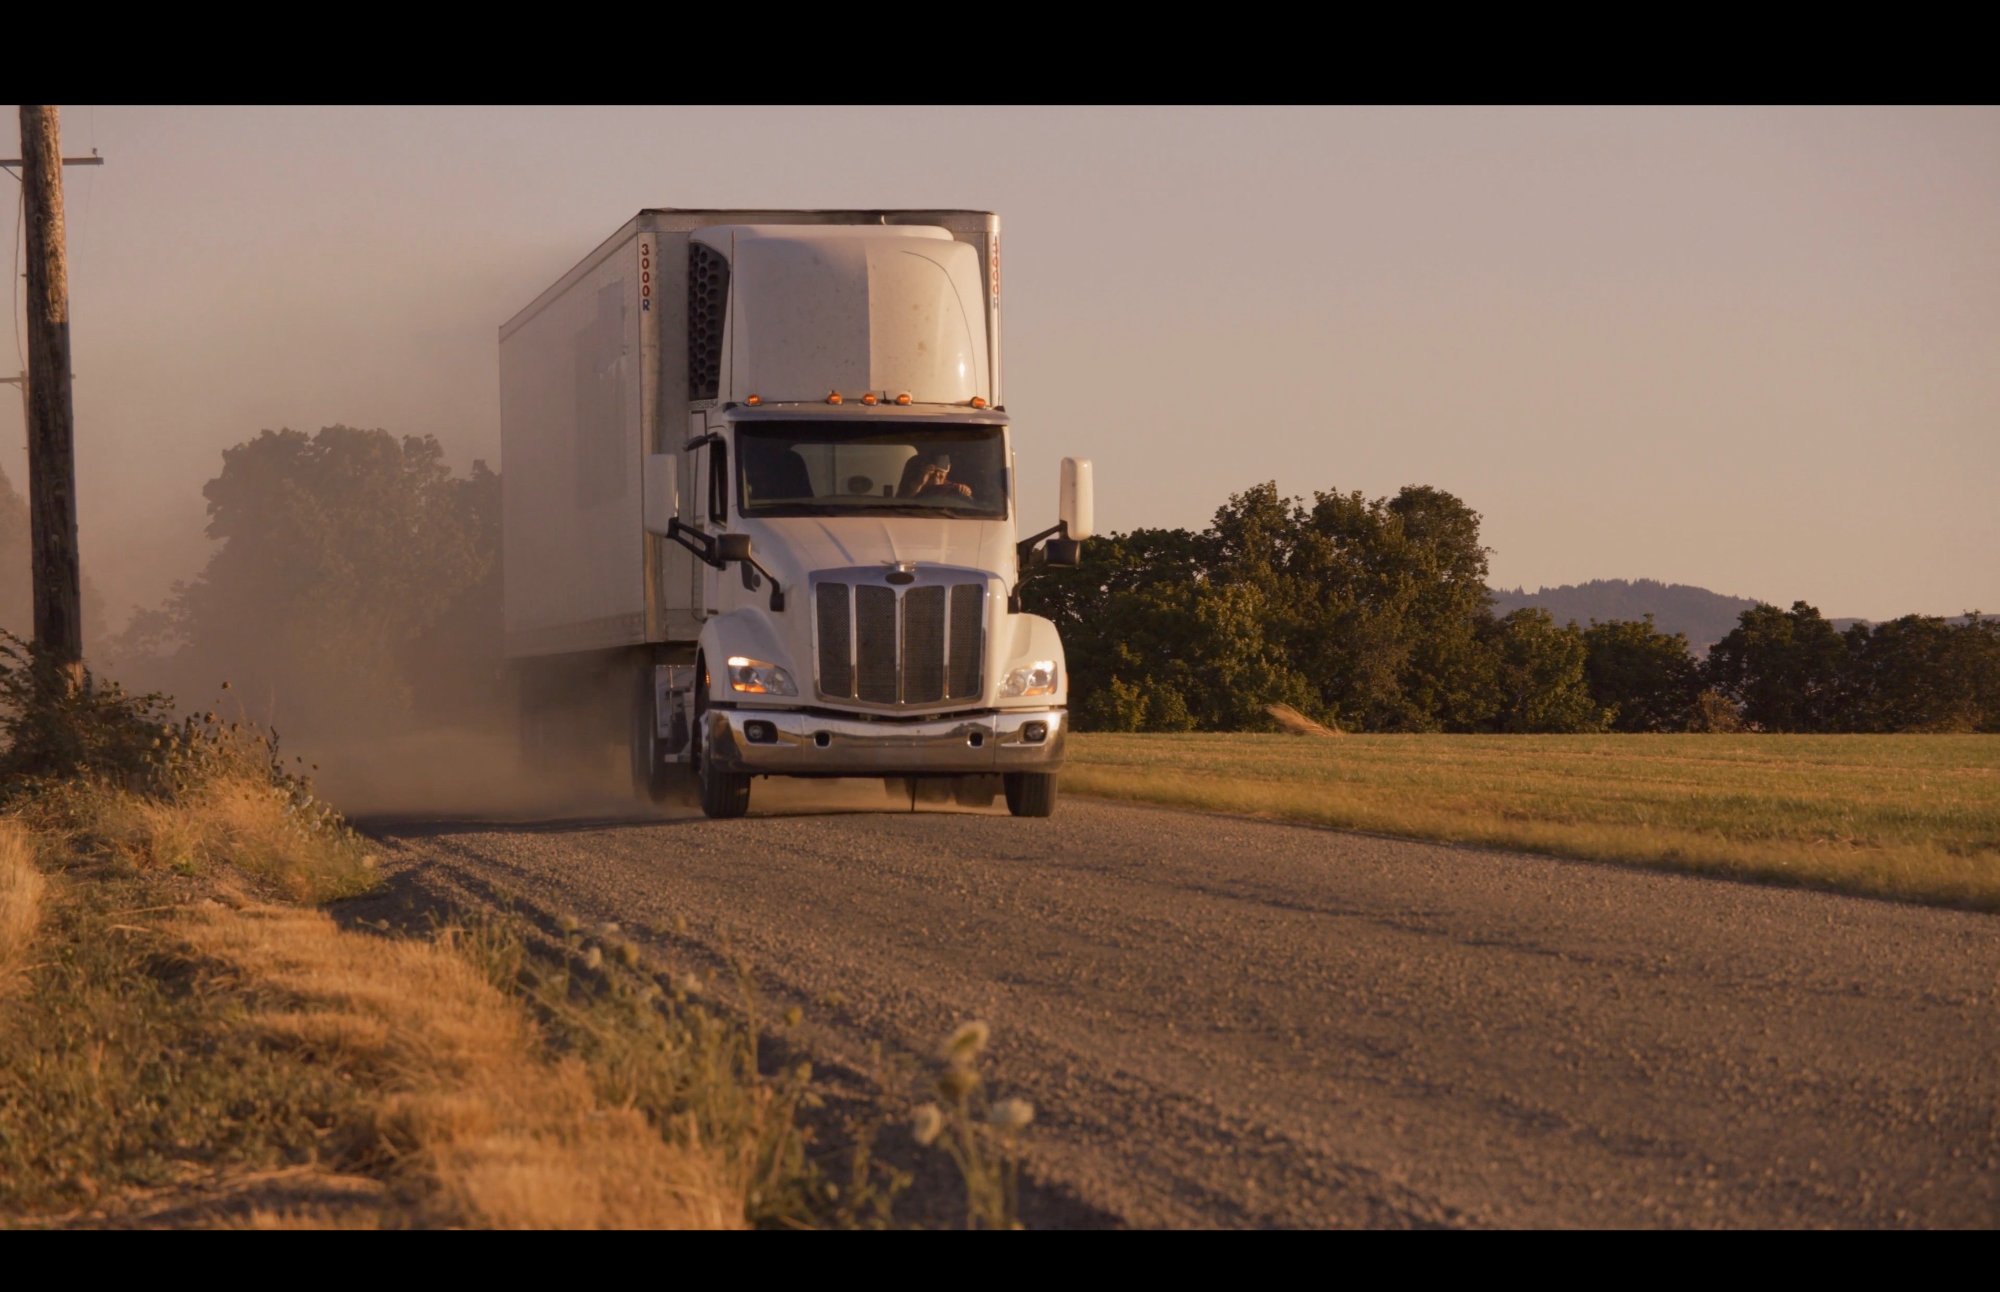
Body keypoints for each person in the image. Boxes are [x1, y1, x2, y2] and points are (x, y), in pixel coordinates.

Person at [896, 452, 974, 501]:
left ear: (946, 474)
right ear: (923, 472)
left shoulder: (953, 488)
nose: (936, 477)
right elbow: (901, 504)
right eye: (932, 473)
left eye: (940, 475)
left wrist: (964, 491)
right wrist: (919, 484)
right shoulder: (914, 486)